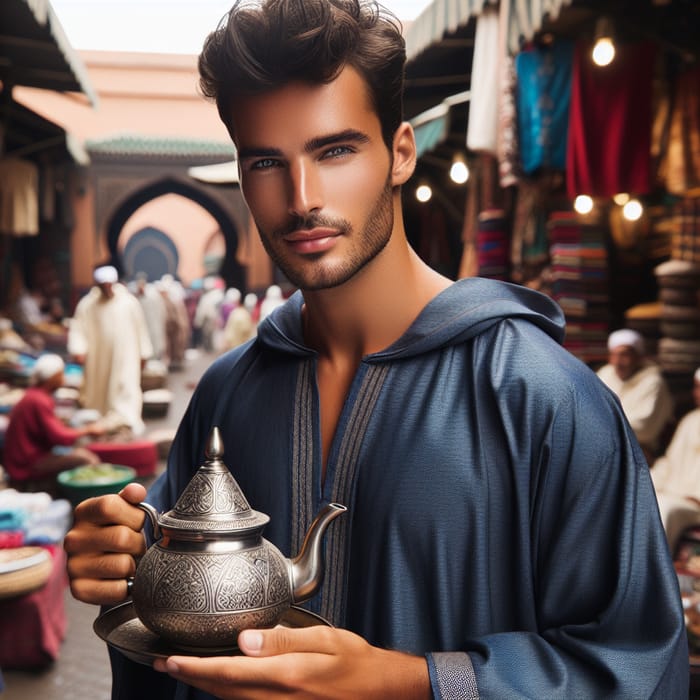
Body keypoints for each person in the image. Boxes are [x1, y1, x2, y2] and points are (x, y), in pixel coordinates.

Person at [64, 2, 688, 698]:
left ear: (400, 152)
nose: (301, 199)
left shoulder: (544, 397)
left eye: (335, 150)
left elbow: (636, 662)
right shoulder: (227, 393)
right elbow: (166, 626)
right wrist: (119, 562)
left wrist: (413, 680)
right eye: (266, 160)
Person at [67, 265, 153, 436]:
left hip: (126, 357)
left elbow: (140, 329)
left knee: (125, 387)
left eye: (108, 284)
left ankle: (127, 421)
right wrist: (79, 349)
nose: (106, 288)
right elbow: (78, 329)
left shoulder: (128, 302)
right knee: (99, 392)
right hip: (98, 359)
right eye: (102, 285)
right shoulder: (87, 305)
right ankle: (101, 423)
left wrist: (144, 354)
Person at [4, 353, 104, 494]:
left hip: (25, 459)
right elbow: (60, 437)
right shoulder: (39, 400)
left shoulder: (34, 395)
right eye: (61, 374)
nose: (64, 378)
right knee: (86, 458)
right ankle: (84, 499)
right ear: (52, 377)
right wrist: (88, 430)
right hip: (28, 463)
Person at [596, 328, 675, 463]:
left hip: (637, 451)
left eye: (624, 355)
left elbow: (643, 428)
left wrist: (598, 427)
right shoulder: (605, 374)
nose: (618, 362)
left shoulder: (653, 382)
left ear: (638, 357)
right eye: (614, 355)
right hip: (600, 445)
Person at [650, 367, 700, 552]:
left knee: (665, 508)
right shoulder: (689, 420)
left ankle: (654, 572)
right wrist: (648, 481)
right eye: (696, 387)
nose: (696, 394)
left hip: (694, 503)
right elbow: (669, 462)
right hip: (674, 492)